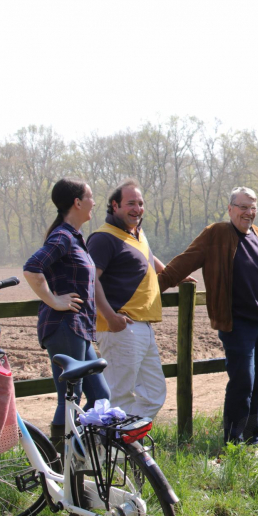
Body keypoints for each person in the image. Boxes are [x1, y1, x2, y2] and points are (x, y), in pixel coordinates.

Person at [158, 187, 258, 446]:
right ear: (230, 209)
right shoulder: (217, 233)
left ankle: (253, 436)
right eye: (243, 207)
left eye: (253, 207)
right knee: (243, 382)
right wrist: (153, 288)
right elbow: (185, 260)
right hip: (237, 322)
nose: (248, 213)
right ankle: (233, 441)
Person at [87, 179, 194, 420]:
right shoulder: (103, 238)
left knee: (154, 394)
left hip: (143, 326)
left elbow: (148, 257)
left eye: (141, 203)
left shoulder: (136, 233)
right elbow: (90, 280)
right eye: (131, 203)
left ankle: (126, 445)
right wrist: (109, 316)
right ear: (115, 206)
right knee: (118, 397)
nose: (137, 209)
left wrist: (173, 275)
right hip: (120, 327)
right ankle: (101, 452)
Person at [23, 178, 111, 451]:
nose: (94, 202)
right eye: (90, 197)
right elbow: (32, 267)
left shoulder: (74, 237)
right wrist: (54, 300)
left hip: (79, 328)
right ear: (77, 202)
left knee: (101, 395)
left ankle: (83, 454)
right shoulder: (62, 236)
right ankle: (60, 462)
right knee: (70, 398)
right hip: (63, 327)